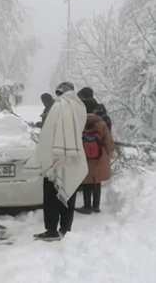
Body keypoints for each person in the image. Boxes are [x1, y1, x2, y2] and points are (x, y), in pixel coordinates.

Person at [27, 81, 88, 241]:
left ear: (60, 92)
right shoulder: (80, 107)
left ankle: (52, 229)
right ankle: (66, 228)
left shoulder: (59, 106)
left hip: (56, 156)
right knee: (70, 190)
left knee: (51, 194)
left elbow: (49, 133)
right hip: (75, 156)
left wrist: (45, 153)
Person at [75, 98, 115, 214]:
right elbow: (109, 143)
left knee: (86, 181)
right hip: (99, 156)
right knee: (96, 181)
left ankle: (87, 206)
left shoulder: (79, 123)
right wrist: (107, 152)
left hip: (84, 156)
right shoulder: (101, 123)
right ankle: (96, 206)